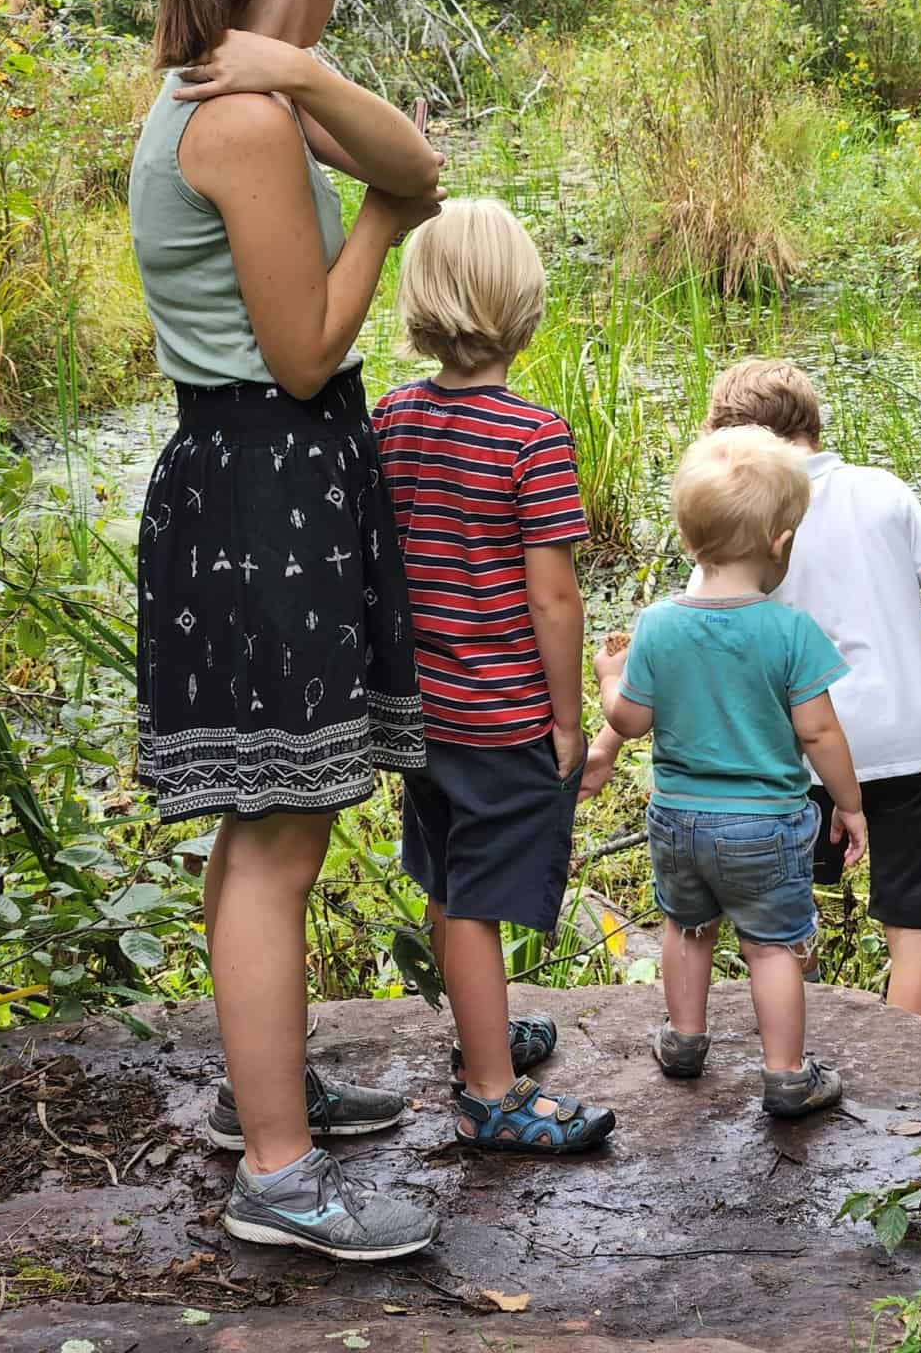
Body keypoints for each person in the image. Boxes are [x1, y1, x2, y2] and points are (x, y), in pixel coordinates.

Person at [130, 0, 446, 1259]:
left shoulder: (250, 89)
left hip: (260, 479)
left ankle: (266, 1091)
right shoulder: (242, 119)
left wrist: (313, 75)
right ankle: (276, 1171)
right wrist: (376, 220)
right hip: (268, 478)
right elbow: (310, 350)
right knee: (278, 840)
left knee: (267, 820)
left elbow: (417, 156)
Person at [586, 359, 921, 1017]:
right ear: (812, 425)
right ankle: (912, 1070)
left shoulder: (735, 515)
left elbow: (680, 647)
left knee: (783, 914)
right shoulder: (883, 489)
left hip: (798, 751)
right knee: (913, 923)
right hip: (915, 737)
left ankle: (802, 1040)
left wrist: (605, 743)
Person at [371, 198, 616, 1153]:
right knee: (479, 893)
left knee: (445, 870)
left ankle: (482, 1032)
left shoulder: (391, 418)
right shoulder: (533, 439)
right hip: (499, 709)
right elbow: (554, 601)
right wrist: (567, 719)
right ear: (523, 304)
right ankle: (490, 1091)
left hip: (419, 711)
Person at [594, 427, 867, 1116]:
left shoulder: (658, 625)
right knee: (772, 948)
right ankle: (785, 1076)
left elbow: (629, 722)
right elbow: (820, 730)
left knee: (686, 928)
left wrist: (606, 680)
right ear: (780, 541)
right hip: (766, 824)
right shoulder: (790, 631)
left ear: (689, 539)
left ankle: (685, 1042)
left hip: (678, 817)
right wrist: (850, 804)